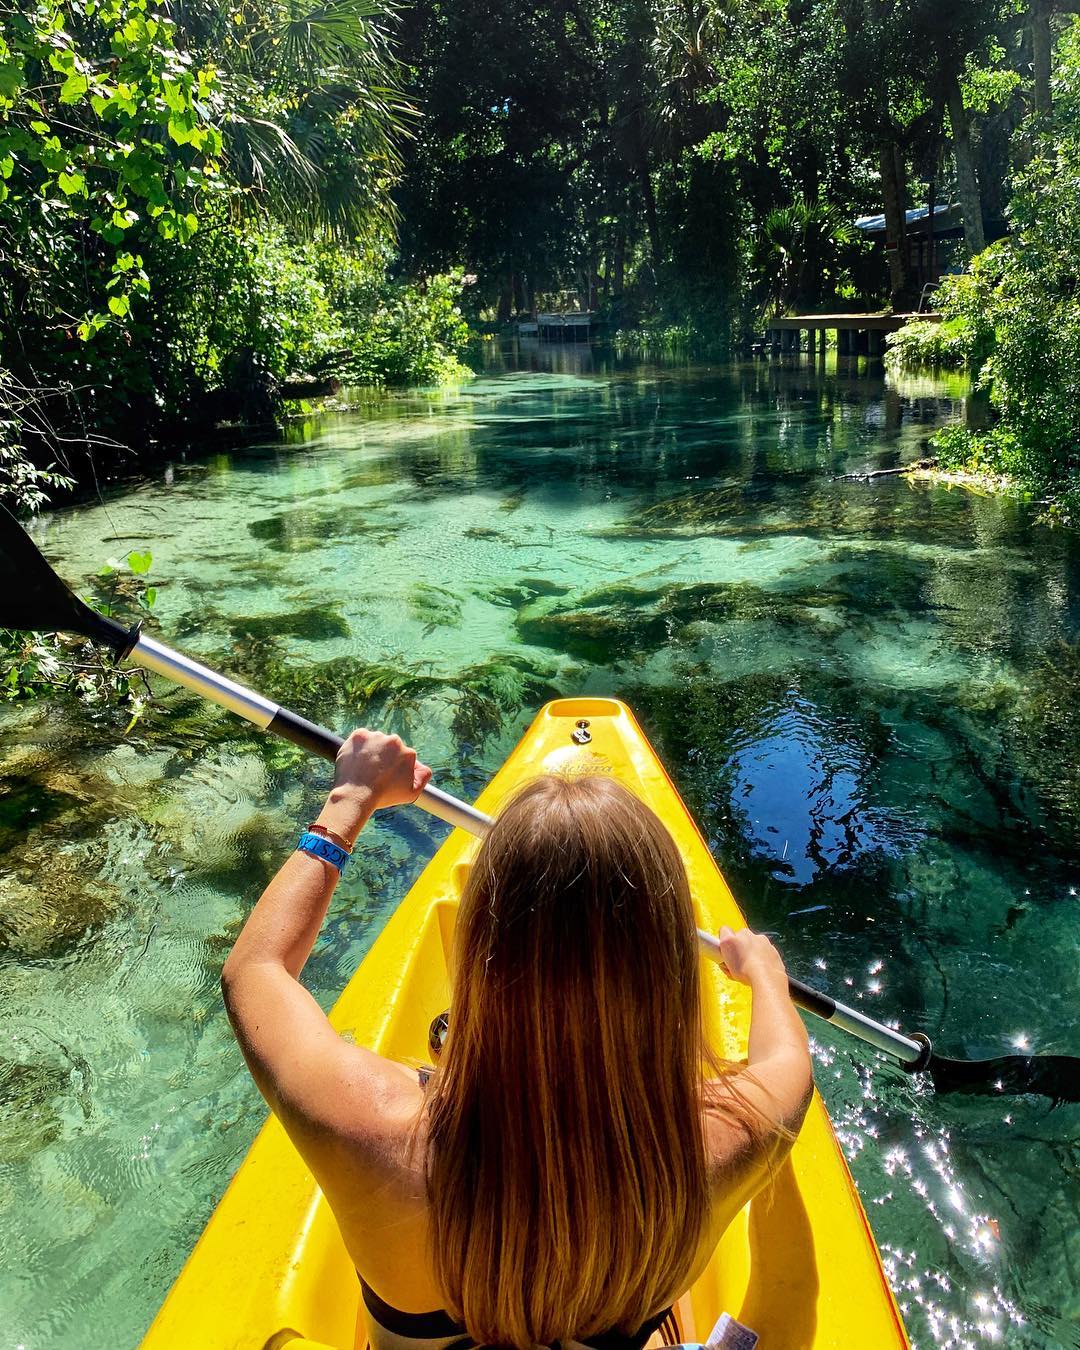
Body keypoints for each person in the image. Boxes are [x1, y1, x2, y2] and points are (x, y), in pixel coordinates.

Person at [221, 729, 814, 1350]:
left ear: (479, 944)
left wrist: (350, 799)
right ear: (667, 967)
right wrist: (766, 977)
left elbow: (256, 970)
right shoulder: (730, 1138)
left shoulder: (370, 1127)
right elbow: (786, 1057)